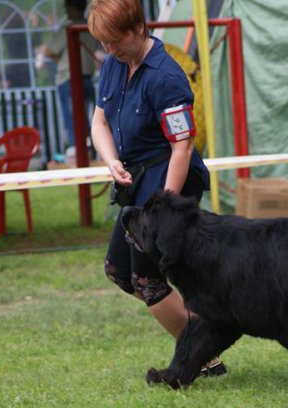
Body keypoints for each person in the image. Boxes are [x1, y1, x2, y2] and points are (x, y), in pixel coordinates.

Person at [88, 0, 226, 377]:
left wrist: (164, 206)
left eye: (115, 41)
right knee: (118, 270)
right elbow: (99, 122)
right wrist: (111, 159)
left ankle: (202, 356)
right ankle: (207, 344)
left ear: (138, 28)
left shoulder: (166, 77)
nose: (109, 50)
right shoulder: (114, 66)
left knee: (146, 279)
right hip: (136, 179)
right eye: (104, 43)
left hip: (170, 180)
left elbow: (181, 146)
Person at [37, 0, 101, 151]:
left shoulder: (69, 27)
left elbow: (49, 51)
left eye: (67, 7)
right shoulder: (91, 27)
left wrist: (58, 59)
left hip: (68, 79)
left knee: (72, 118)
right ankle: (92, 149)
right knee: (90, 118)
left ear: (72, 8)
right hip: (87, 78)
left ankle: (76, 149)